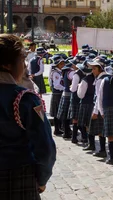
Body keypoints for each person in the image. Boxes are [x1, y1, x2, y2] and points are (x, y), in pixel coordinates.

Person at [0, 34, 56, 198]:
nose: (25, 65)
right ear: (7, 64)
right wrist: (42, 179)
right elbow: (45, 148)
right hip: (17, 177)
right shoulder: (24, 99)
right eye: (21, 59)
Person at [49, 55, 66, 136]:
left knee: (58, 112)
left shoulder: (58, 71)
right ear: (57, 64)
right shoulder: (56, 73)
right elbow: (56, 85)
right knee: (57, 112)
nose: (63, 65)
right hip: (57, 94)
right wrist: (64, 88)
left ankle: (58, 128)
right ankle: (57, 129)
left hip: (58, 94)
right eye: (61, 64)